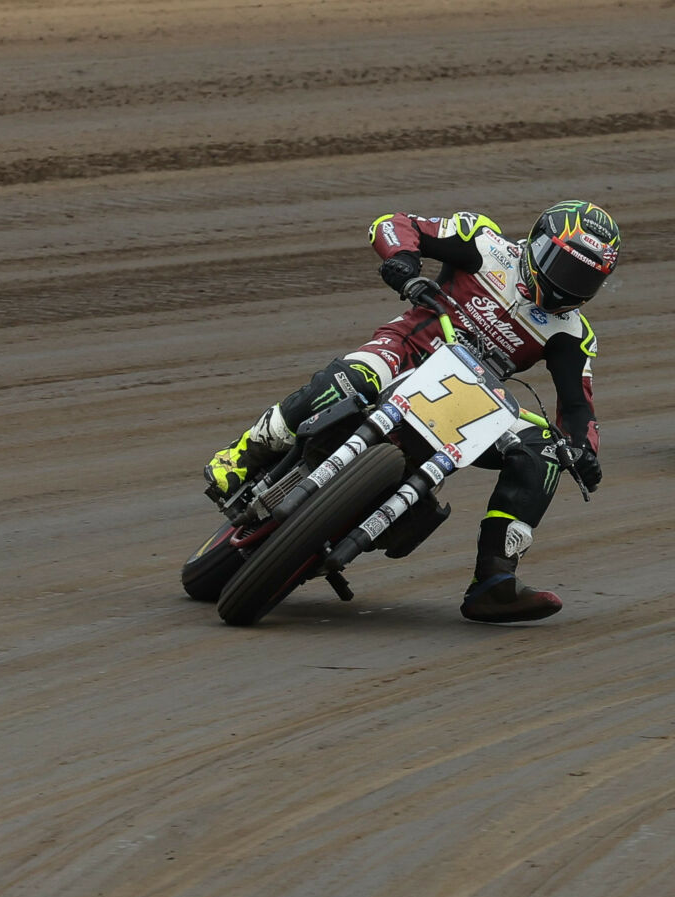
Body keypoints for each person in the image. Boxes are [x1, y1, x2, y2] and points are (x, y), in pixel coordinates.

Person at [202, 201, 616, 623]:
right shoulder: (483, 242)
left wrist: (582, 451)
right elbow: (396, 224)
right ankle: (239, 456)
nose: (569, 286)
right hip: (407, 352)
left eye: (585, 278)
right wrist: (402, 262)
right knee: (349, 379)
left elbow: (579, 408)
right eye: (564, 268)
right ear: (536, 244)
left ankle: (494, 581)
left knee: (545, 452)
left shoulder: (572, 333)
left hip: (470, 405)